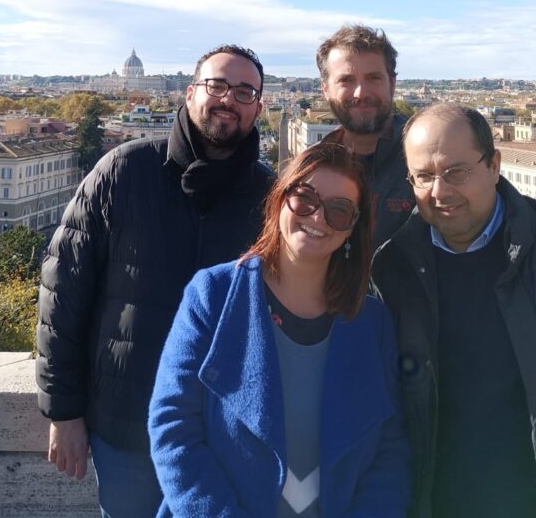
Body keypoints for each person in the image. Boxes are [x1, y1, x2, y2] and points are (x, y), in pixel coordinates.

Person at [36, 45, 273, 518]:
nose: (229, 98)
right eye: (217, 85)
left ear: (258, 107)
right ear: (189, 94)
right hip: (129, 428)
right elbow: (63, 293)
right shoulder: (123, 171)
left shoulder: (270, 195)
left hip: (230, 431)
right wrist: (64, 410)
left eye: (244, 91)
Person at [371, 102, 536, 518]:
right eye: (424, 177)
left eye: (456, 172)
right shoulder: (392, 272)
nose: (440, 191)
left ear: (494, 164)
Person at [148, 140, 410, 518]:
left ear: (353, 228)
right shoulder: (213, 295)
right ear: (279, 199)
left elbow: (390, 449)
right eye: (305, 198)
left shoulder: (372, 322)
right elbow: (172, 427)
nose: (318, 217)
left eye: (339, 210)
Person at [316, 24, 414, 247]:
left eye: (373, 78)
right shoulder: (313, 166)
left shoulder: (431, 158)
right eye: (346, 80)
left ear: (392, 83)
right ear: (325, 90)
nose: (361, 93)